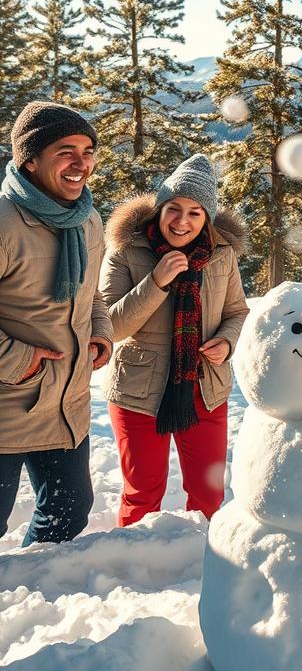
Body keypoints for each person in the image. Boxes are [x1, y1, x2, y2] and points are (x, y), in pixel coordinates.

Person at [100, 154, 249, 526]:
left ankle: (204, 568)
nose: (182, 222)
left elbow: (238, 313)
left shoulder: (221, 256)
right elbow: (109, 326)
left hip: (205, 388)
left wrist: (227, 343)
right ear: (159, 209)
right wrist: (156, 283)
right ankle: (132, 562)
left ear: (207, 218)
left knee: (208, 492)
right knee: (143, 492)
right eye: (174, 209)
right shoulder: (127, 251)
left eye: (195, 212)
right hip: (138, 390)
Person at [0, 102, 113, 545]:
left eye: (88, 151)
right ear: (31, 159)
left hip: (65, 402)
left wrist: (99, 334)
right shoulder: (5, 223)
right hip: (7, 405)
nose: (81, 163)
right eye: (66, 151)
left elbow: (92, 294)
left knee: (68, 512)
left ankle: (33, 596)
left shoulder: (87, 219)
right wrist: (20, 360)